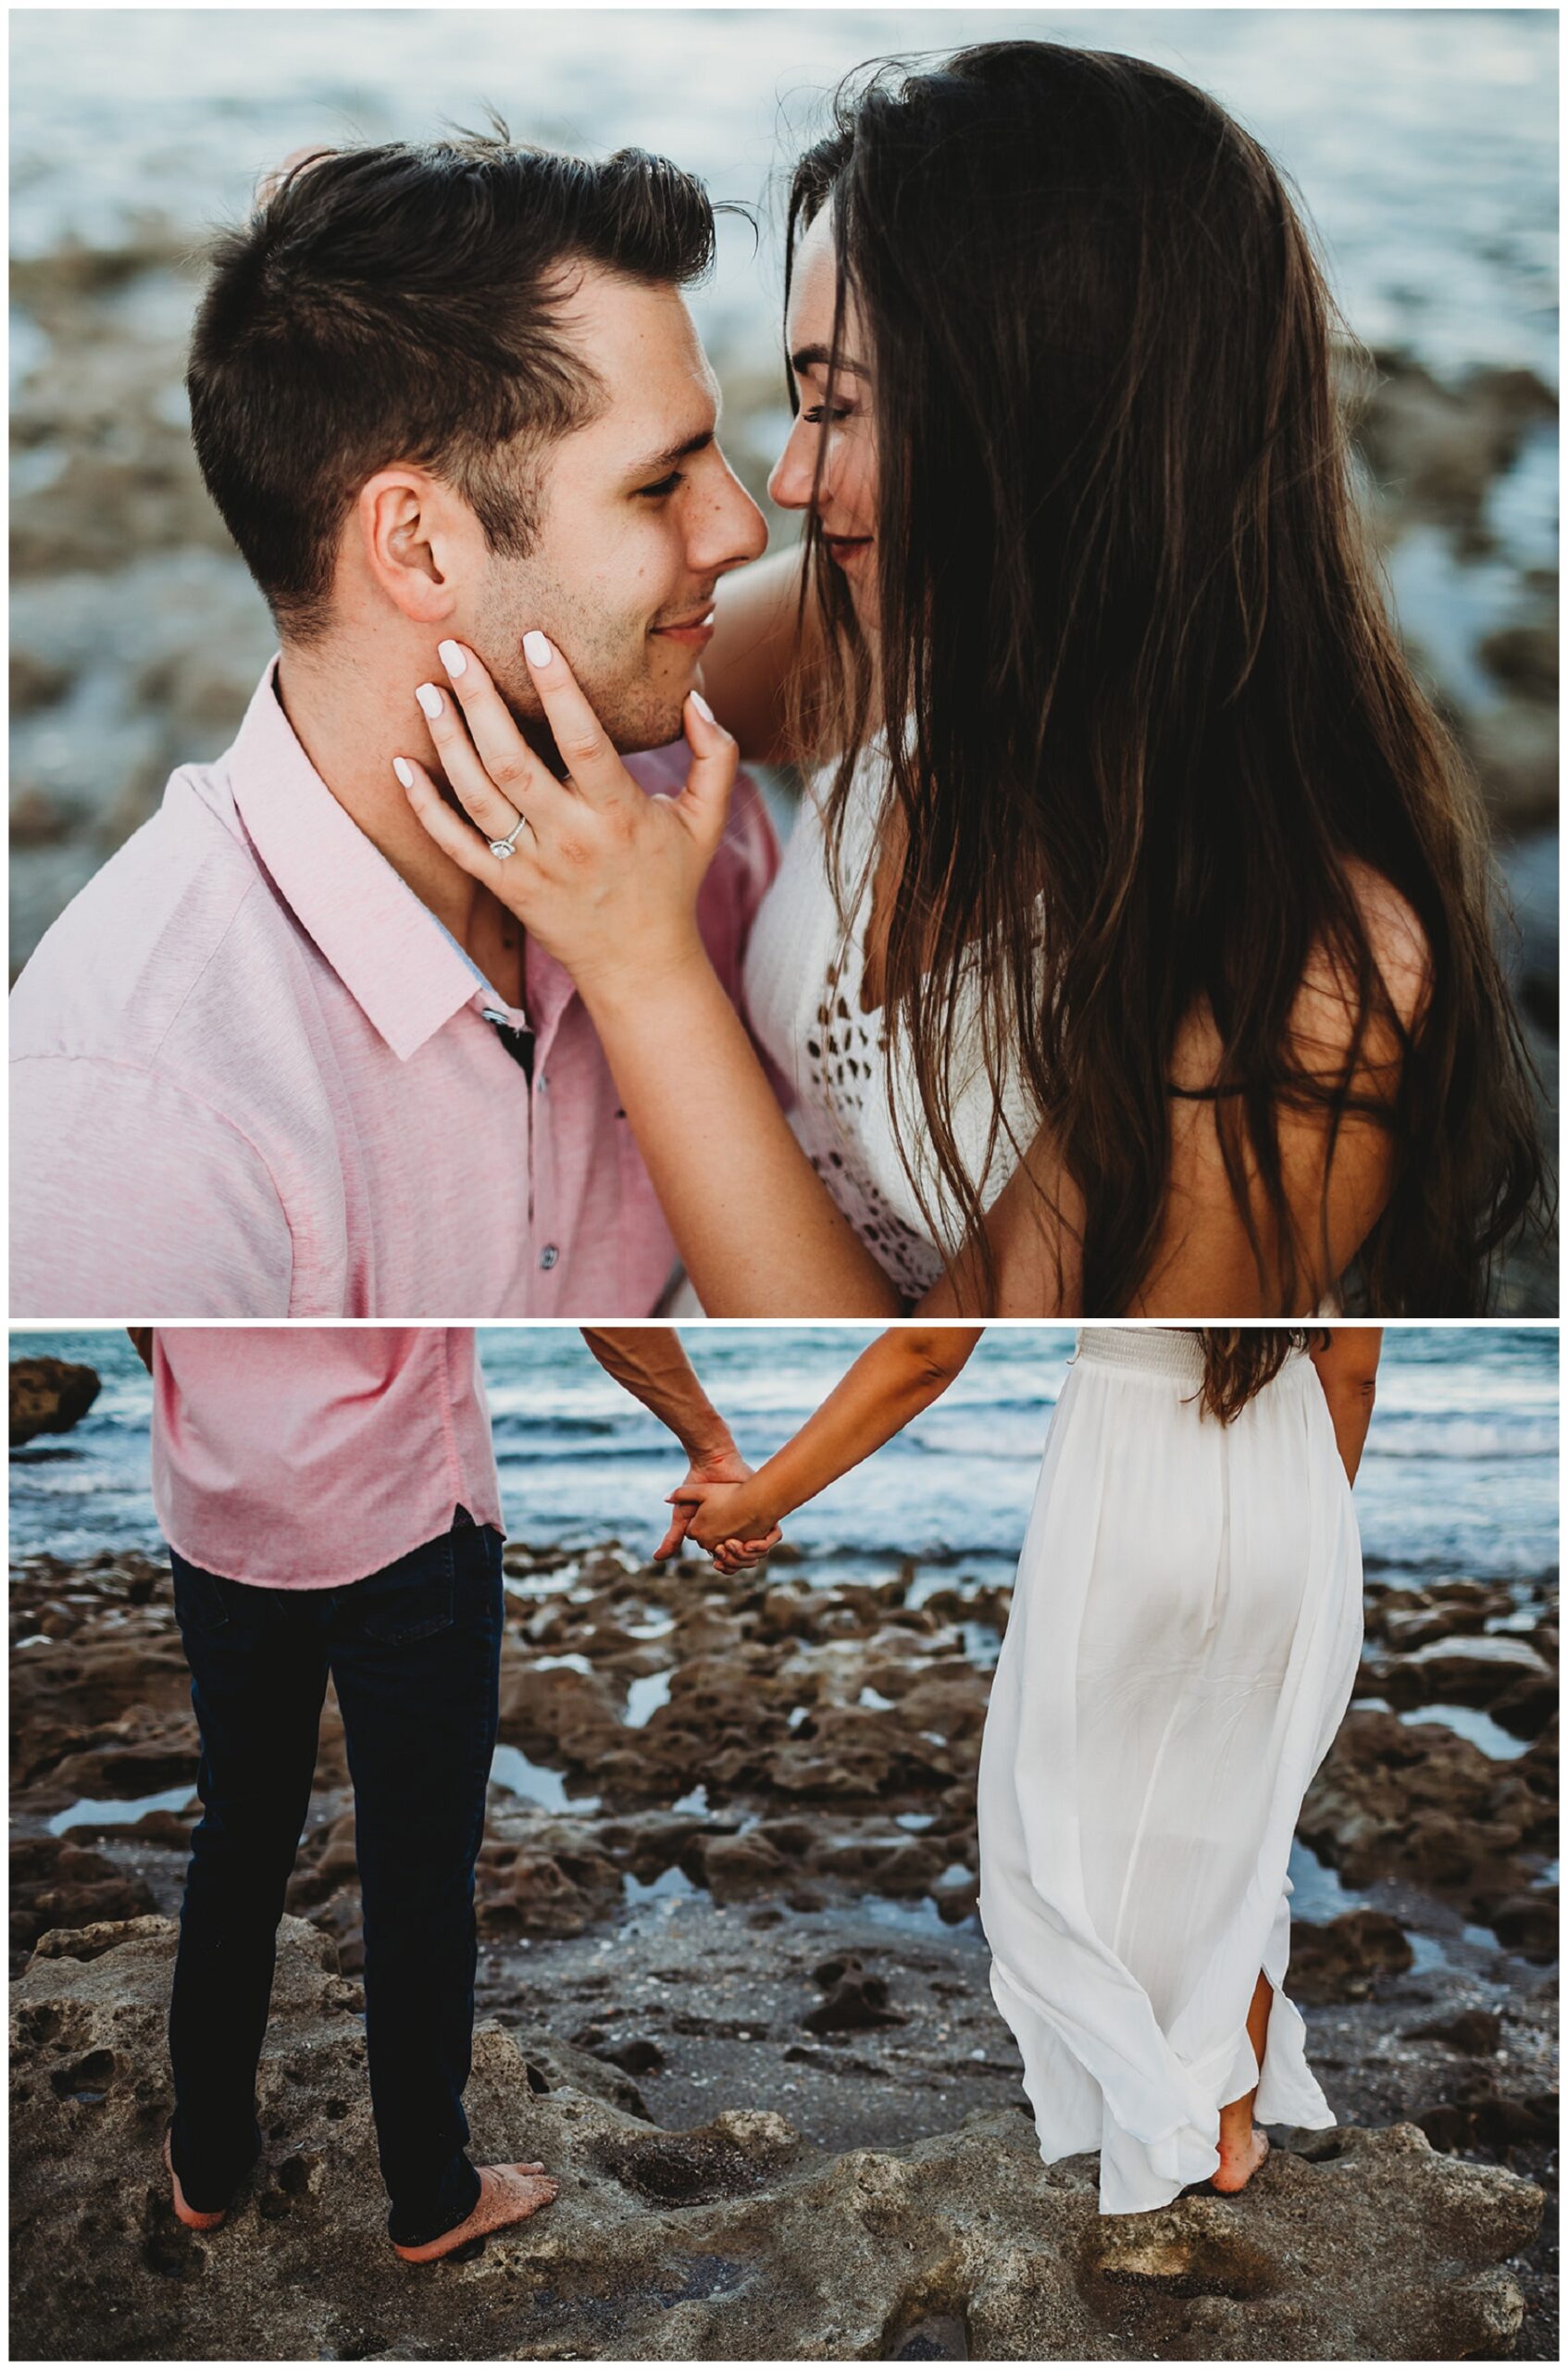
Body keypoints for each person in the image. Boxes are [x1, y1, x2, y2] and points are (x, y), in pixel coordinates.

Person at [406, 41, 1545, 1317]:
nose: (784, 485)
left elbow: (927, 1408)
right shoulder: (908, 625)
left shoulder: (1302, 974)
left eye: (836, 409)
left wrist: (641, 966)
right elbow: (523, 671)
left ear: (1039, 423)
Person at [11, 135, 778, 1317]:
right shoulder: (136, 1106)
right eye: (658, 482)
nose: (738, 527)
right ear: (416, 543)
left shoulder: (686, 817)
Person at [668, 1323, 1378, 2210]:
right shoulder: (1346, 1178)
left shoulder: (1105, 1176)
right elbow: (1348, 1374)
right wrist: (1309, 1535)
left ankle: (1154, 2105)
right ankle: (1229, 2132)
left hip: (1124, 1499)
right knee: (1240, 1835)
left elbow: (926, 1355)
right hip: (1292, 1498)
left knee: (1067, 1820)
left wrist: (758, 1500)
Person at [136, 1323, 776, 2259]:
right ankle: (431, 2193)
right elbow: (602, 1306)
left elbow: (149, 1320)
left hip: (223, 1508)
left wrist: (225, 1391)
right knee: (417, 1866)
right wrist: (711, 1446)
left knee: (237, 1833)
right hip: (405, 1516)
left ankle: (204, 2162)